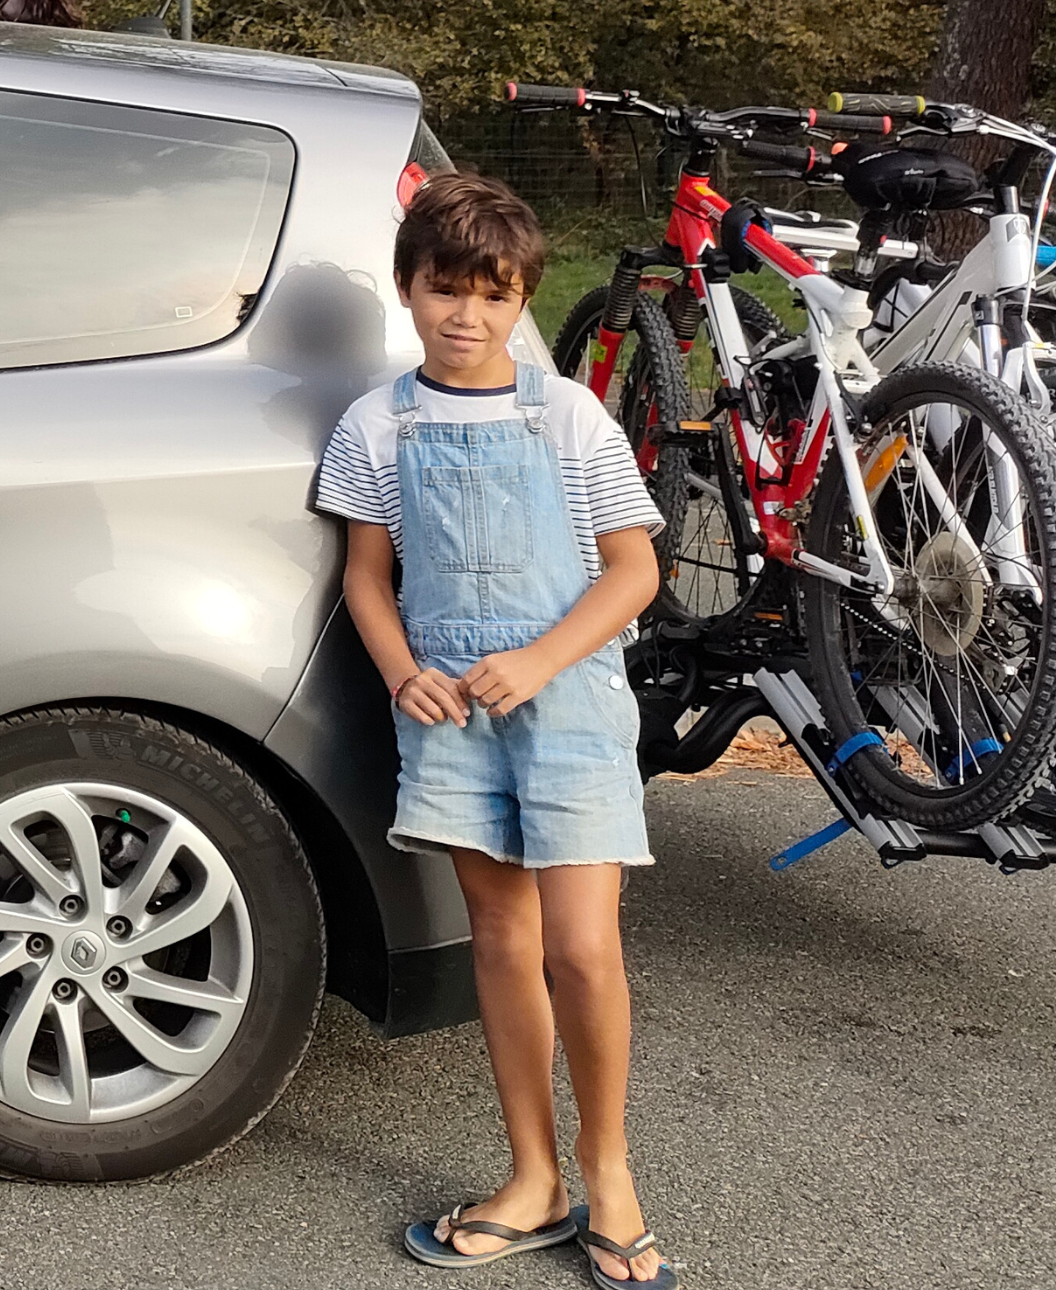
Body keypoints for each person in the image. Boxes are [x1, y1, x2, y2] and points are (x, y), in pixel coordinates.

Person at [317, 173, 672, 1283]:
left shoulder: (563, 412)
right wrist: (399, 673)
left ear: (521, 300)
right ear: (407, 288)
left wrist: (536, 660)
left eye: (492, 295)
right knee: (503, 943)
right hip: (450, 716)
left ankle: (605, 1166)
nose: (464, 316)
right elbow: (365, 577)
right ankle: (533, 1176)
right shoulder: (377, 422)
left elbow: (633, 571)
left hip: (564, 702)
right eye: (443, 291)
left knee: (578, 946)